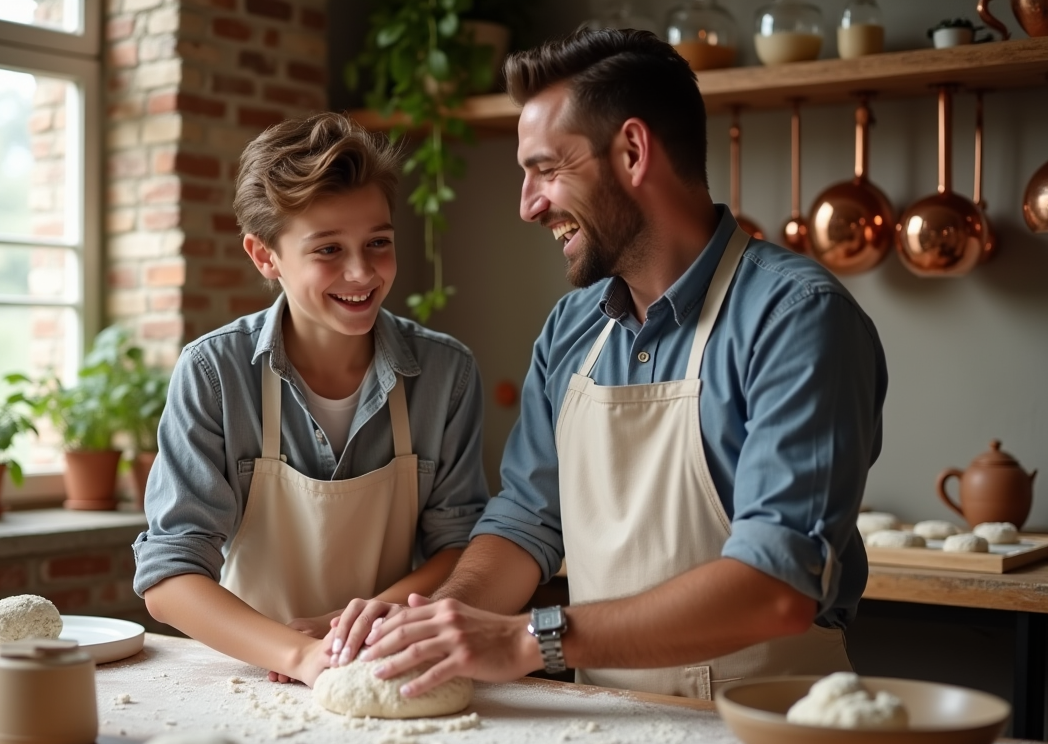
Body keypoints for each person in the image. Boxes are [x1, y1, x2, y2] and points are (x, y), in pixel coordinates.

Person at [341, 28, 887, 701]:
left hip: (771, 729)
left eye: (546, 168)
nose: (527, 204)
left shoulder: (797, 318)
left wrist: (524, 639)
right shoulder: (573, 328)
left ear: (632, 151)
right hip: (606, 723)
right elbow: (525, 522)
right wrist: (442, 623)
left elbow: (776, 588)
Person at [132, 112, 489, 687]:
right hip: (248, 675)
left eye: (378, 243)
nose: (362, 272)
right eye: (328, 249)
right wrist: (297, 655)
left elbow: (459, 550)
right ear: (264, 256)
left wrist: (356, 628)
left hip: (383, 662)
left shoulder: (446, 374)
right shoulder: (214, 373)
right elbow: (169, 577)